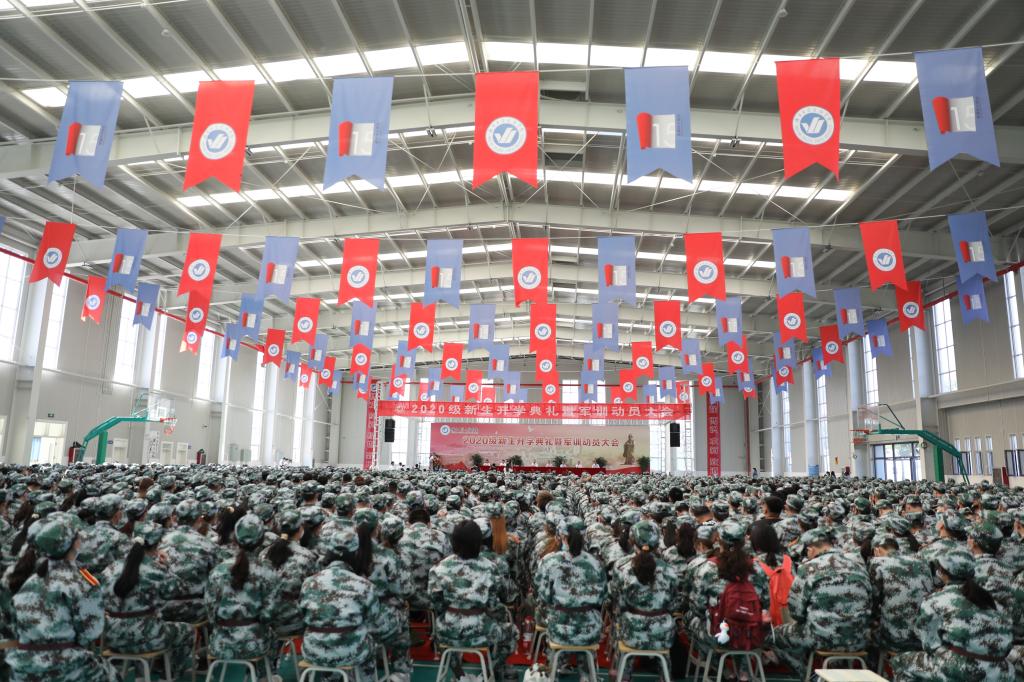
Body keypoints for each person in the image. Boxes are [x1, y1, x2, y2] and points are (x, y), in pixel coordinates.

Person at [6, 514, 112, 682]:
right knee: (111, 674)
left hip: (23, 669)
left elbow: (14, 626)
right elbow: (91, 633)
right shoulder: (81, 583)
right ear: (74, 543)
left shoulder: (30, 581)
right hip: (65, 668)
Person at [892, 549, 1013, 681]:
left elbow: (929, 645)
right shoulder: (988, 599)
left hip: (963, 670)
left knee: (900, 663)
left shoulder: (936, 600)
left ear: (942, 572)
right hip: (1001, 672)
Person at [771, 528, 872, 679]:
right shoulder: (858, 567)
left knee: (774, 636)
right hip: (858, 638)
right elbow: (870, 603)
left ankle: (808, 675)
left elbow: (796, 612)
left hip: (821, 638)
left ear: (810, 549)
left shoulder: (808, 568)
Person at [428, 520, 517, 682]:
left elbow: (436, 603)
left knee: (439, 634)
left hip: (448, 631)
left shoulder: (439, 568)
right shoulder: (490, 567)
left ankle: (459, 675)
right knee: (512, 632)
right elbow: (494, 605)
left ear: (453, 542)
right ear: (478, 543)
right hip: (482, 631)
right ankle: (491, 672)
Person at [101, 522, 193, 678]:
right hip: (148, 638)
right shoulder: (155, 570)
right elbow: (178, 589)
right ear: (157, 545)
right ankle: (169, 676)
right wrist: (167, 566)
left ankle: (141, 676)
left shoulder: (111, 568)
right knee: (187, 631)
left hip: (114, 638)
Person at [299, 527, 382, 679]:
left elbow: (303, 615)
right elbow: (373, 617)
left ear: (329, 552)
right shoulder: (364, 585)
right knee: (370, 640)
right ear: (356, 554)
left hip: (313, 651)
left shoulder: (308, 583)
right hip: (351, 652)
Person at [204, 514, 280, 663]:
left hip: (220, 644)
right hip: (255, 644)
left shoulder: (218, 571)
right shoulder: (268, 571)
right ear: (261, 541)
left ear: (235, 539)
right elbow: (269, 614)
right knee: (274, 637)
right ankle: (264, 673)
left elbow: (210, 611)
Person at [609, 520, 678, 681]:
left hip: (631, 631)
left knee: (619, 625)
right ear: (657, 542)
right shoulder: (669, 569)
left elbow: (616, 599)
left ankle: (622, 675)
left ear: (632, 541)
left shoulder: (622, 566)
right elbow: (674, 602)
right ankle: (665, 676)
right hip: (662, 633)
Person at [534, 516, 607, 649]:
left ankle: (551, 656)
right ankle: (584, 661)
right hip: (590, 630)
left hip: (559, 631)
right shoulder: (596, 563)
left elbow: (543, 596)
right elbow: (602, 597)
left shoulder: (549, 561)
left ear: (561, 536)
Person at [866, 532, 933, 654]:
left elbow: (873, 602)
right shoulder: (922, 562)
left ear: (877, 550)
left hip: (895, 639)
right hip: (923, 638)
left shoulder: (878, 563)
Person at [260, 509, 318, 637]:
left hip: (268, 620)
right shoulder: (308, 557)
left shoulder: (264, 554)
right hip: (296, 621)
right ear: (300, 529)